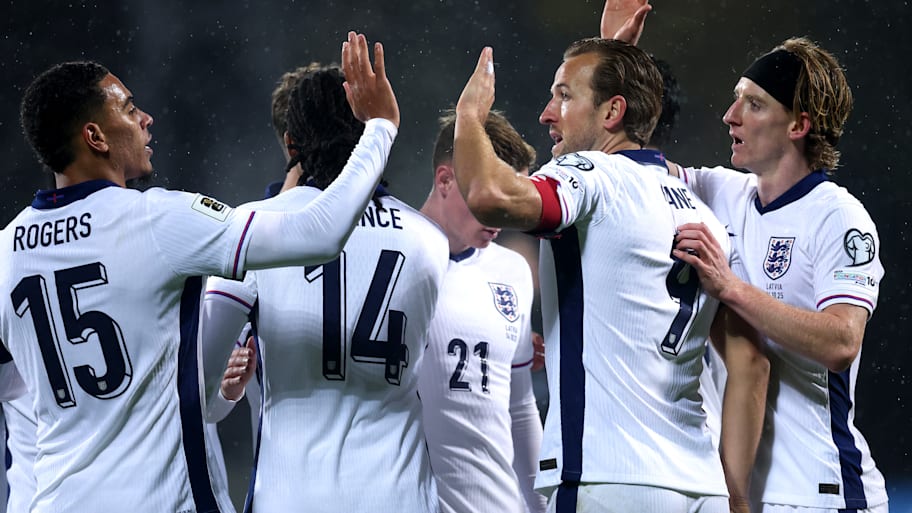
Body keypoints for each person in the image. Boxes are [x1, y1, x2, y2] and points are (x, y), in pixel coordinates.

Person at [0, 31, 399, 512]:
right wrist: (380, 128)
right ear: (95, 137)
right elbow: (318, 233)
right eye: (128, 108)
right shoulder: (156, 220)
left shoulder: (6, 250)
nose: (145, 119)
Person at [452, 38, 732, 512]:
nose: (547, 114)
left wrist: (469, 117)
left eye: (564, 96)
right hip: (700, 482)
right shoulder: (703, 214)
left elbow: (488, 195)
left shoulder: (593, 176)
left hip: (610, 477)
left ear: (613, 112)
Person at [199, 64, 448, 512]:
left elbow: (198, 387)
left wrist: (223, 390)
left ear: (291, 143)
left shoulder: (250, 229)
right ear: (370, 135)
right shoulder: (429, 239)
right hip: (401, 495)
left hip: (293, 495)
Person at [669, 38, 889, 513]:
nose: (730, 116)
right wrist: (617, 52)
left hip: (822, 492)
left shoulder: (838, 217)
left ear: (798, 125)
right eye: (737, 99)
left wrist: (731, 288)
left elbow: (841, 342)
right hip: (743, 494)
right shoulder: (720, 191)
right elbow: (632, 169)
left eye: (754, 104)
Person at [417, 110, 546, 513]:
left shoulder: (512, 271)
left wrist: (541, 506)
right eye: (490, 196)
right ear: (445, 180)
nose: (501, 215)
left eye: (511, 199)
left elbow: (519, 409)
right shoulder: (396, 259)